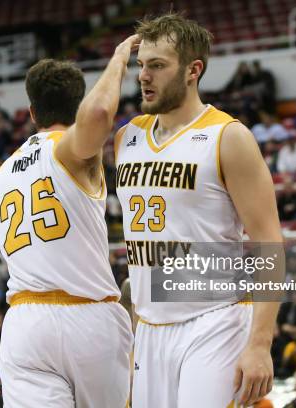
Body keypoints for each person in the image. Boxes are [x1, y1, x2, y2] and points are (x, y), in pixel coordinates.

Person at [0, 38, 139, 407]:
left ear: (32, 112)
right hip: (90, 317)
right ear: (78, 107)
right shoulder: (71, 150)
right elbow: (99, 114)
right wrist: (118, 59)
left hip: (25, 325)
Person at [114, 13, 284, 407]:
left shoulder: (229, 137)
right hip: (150, 328)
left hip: (215, 322)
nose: (144, 76)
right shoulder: (127, 137)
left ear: (193, 70)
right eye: (142, 66)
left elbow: (269, 241)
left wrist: (260, 343)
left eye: (157, 66)